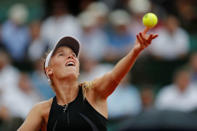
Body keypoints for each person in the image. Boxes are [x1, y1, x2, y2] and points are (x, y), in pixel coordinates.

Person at [18, 28, 158, 131]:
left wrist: (134, 52)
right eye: (61, 54)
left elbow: (114, 76)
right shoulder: (41, 110)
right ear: (49, 70)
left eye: (74, 54)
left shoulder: (93, 92)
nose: (71, 56)